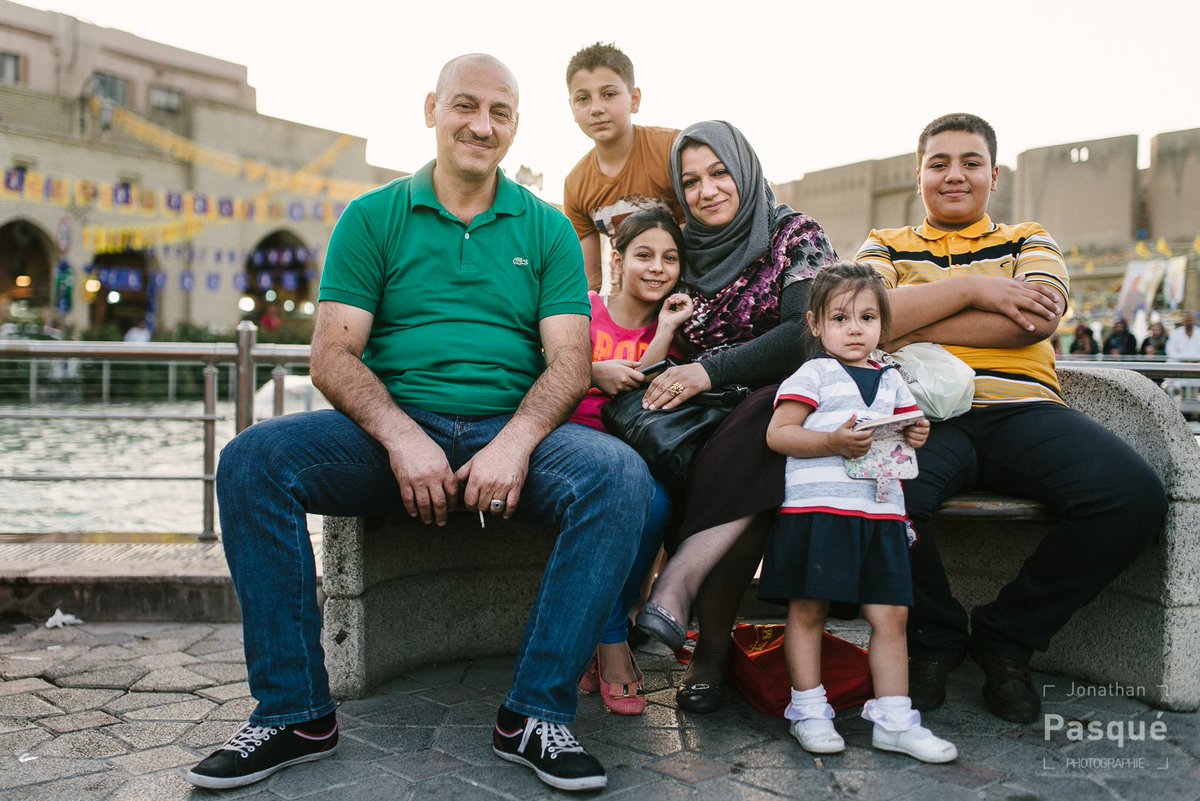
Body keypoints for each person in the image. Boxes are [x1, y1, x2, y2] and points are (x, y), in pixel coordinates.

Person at [184, 54, 653, 793]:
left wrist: (514, 443)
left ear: (516, 126)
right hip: (389, 432)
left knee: (620, 476)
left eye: (500, 112)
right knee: (251, 461)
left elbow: (569, 363)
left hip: (509, 430)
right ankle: (294, 712)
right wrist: (403, 437)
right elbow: (332, 355)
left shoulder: (547, 229)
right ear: (432, 109)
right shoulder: (373, 217)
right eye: (466, 105)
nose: (481, 125)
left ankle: (534, 711)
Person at [855, 112, 1164, 724]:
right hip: (923, 415)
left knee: (1132, 497)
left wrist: (911, 318)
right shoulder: (884, 243)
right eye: (939, 163)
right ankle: (936, 637)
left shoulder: (1028, 238)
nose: (954, 175)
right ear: (919, 175)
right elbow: (862, 316)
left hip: (1023, 411)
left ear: (993, 176)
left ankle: (1007, 636)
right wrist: (976, 289)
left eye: (970, 163)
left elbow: (1037, 320)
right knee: (880, 493)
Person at [632, 120, 838, 713]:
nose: (708, 191)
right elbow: (646, 328)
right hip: (706, 421)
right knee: (739, 461)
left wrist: (709, 371)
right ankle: (704, 642)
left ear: (744, 171)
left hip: (792, 404)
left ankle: (685, 599)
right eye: (692, 181)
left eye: (720, 173)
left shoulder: (793, 234)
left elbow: (805, 334)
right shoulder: (681, 251)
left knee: (761, 422)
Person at [762, 261, 955, 763]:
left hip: (881, 512)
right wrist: (831, 441)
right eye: (840, 318)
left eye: (867, 318)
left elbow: (905, 431)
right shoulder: (813, 374)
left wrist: (917, 432)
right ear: (815, 324)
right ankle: (808, 710)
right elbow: (779, 434)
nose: (855, 329)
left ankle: (894, 718)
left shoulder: (891, 378)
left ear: (882, 324)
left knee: (892, 614)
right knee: (809, 610)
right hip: (819, 511)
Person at [569, 207, 692, 715]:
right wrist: (594, 370)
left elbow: (644, 398)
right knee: (630, 492)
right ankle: (613, 638)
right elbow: (546, 364)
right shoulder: (583, 307)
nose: (658, 268)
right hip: (570, 443)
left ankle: (605, 634)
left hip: (633, 452)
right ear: (617, 260)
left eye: (670, 258)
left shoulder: (677, 334)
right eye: (644, 255)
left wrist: (665, 329)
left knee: (656, 502)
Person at [563, 42, 682, 292]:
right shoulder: (576, 183)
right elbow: (590, 280)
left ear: (634, 100)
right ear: (572, 108)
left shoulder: (671, 150)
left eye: (608, 94)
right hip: (629, 298)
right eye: (583, 98)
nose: (596, 108)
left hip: (690, 290)